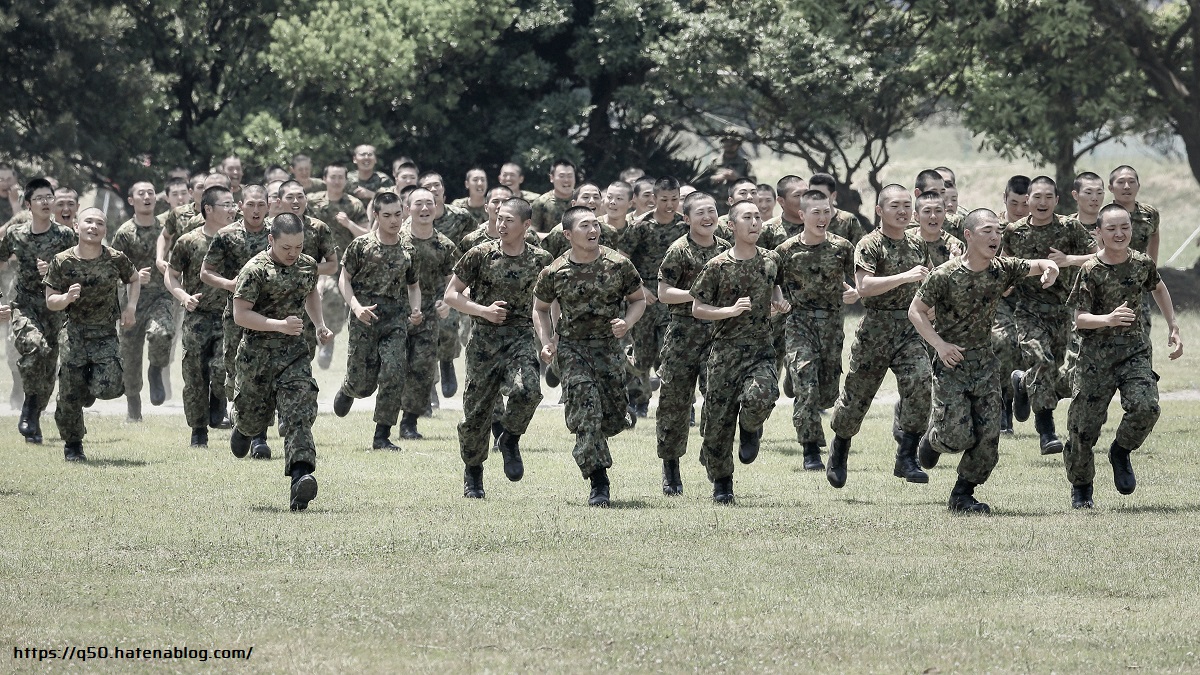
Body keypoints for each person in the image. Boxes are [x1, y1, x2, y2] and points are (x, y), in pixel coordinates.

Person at [909, 208, 1059, 513]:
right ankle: (933, 439)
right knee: (955, 437)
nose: (995, 237)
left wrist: (1051, 268)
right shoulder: (945, 275)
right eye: (987, 231)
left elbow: (1038, 263)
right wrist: (939, 345)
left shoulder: (1002, 269)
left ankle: (962, 495)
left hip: (985, 365)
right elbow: (916, 310)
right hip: (952, 364)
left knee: (988, 439)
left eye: (998, 231)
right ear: (968, 235)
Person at [1065, 204, 1183, 508]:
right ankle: (1082, 488)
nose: (1119, 234)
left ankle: (1120, 451)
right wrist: (1108, 319)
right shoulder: (1090, 270)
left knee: (1146, 407)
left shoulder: (1142, 263)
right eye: (1112, 229)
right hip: (1095, 358)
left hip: (1134, 352)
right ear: (1099, 233)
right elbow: (1079, 319)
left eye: (1125, 227)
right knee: (1082, 429)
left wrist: (1173, 325)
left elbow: (1159, 288)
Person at [533, 206, 645, 507]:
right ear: (568, 234)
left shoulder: (619, 264)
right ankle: (598, 480)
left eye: (595, 224)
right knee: (586, 414)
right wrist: (547, 341)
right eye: (585, 225)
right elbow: (540, 308)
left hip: (609, 349)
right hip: (572, 349)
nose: (593, 230)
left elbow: (638, 300)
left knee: (613, 418)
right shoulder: (554, 271)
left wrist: (627, 323)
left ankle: (610, 420)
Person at [445, 197, 551, 498]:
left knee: (528, 391)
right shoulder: (480, 254)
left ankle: (509, 438)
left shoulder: (542, 260)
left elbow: (548, 303)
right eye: (499, 218)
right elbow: (451, 295)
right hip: (484, 339)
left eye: (508, 220)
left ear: (526, 225)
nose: (501, 224)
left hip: (520, 337)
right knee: (476, 414)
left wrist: (548, 340)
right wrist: (483, 311)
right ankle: (473, 474)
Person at [827, 185, 932, 489]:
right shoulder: (869, 244)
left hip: (910, 328)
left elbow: (928, 282)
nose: (902, 212)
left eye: (907, 206)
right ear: (879, 210)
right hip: (876, 329)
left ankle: (907, 455)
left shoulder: (917, 244)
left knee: (921, 382)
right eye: (895, 206)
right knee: (856, 398)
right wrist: (905, 277)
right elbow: (864, 287)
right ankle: (840, 448)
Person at [230, 212, 333, 511]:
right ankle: (243, 428)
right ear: (271, 239)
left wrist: (320, 324)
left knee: (299, 413)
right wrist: (279, 325)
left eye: (298, 247)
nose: (293, 253)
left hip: (294, 355)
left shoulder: (307, 265)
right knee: (253, 418)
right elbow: (240, 314)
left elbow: (311, 294)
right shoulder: (255, 270)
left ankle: (301, 478)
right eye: (286, 247)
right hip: (257, 358)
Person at [691, 200, 788, 504]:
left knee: (763, 395)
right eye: (747, 217)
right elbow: (698, 308)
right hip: (725, 353)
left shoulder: (772, 259)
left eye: (758, 217)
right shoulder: (717, 266)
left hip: (761, 349)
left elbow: (775, 287)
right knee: (717, 426)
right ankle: (723, 485)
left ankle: (749, 427)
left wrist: (779, 303)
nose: (755, 222)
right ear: (732, 226)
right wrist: (729, 311)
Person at [1003, 176, 1096, 455]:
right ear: (1027, 200)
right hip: (1028, 312)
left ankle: (1022, 382)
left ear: (1057, 200)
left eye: (1048, 197)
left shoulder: (1070, 228)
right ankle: (1046, 431)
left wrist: (1069, 260)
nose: (1042, 202)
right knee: (1042, 362)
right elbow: (1005, 265)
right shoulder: (1014, 231)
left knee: (1058, 376)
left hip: (1063, 313)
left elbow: (1100, 256)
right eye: (1037, 197)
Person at [44, 207, 140, 461]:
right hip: (73, 332)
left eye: (99, 223)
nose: (93, 227)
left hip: (105, 334)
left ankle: (89, 389)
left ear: (105, 230)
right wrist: (66, 298)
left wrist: (130, 307)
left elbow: (134, 278)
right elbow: (51, 300)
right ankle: (73, 444)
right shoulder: (62, 261)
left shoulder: (115, 258)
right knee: (69, 391)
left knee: (111, 387)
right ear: (77, 226)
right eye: (88, 221)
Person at [331, 191, 423, 451]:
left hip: (395, 322)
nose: (394, 220)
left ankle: (382, 435)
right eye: (387, 215)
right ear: (376, 215)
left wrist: (415, 310)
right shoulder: (361, 245)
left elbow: (413, 286)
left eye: (398, 214)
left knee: (394, 372)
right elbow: (344, 279)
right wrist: (356, 307)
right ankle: (349, 388)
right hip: (364, 320)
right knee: (363, 385)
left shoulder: (409, 249)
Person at [774, 190, 858, 472]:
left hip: (832, 325)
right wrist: (778, 300)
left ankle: (793, 377)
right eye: (816, 212)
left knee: (827, 394)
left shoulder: (842, 247)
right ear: (802, 215)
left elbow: (858, 279)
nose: (823, 218)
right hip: (799, 323)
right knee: (806, 389)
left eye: (827, 211)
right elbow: (773, 282)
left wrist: (854, 292)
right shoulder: (786, 251)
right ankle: (810, 450)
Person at [654, 191, 730, 495]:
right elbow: (664, 293)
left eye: (712, 211)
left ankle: (717, 466)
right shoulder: (679, 250)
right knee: (674, 404)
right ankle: (671, 467)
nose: (707, 217)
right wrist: (697, 294)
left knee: (719, 401)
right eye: (700, 213)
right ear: (686, 219)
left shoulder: (727, 249)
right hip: (683, 334)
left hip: (718, 334)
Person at [0, 178, 77, 444]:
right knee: (35, 347)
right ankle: (29, 409)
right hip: (24, 305)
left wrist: (55, 270)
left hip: (55, 307)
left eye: (49, 197)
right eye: (39, 198)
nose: (45, 202)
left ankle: (34, 414)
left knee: (48, 370)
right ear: (28, 205)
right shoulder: (16, 234)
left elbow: (78, 269)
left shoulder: (66, 235)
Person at [201, 184, 274, 459]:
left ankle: (259, 437)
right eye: (250, 204)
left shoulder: (276, 233)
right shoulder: (226, 236)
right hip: (236, 316)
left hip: (270, 314)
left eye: (261, 205)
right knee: (237, 374)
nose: (255, 210)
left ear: (268, 206)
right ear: (240, 206)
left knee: (264, 373)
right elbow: (206, 272)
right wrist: (230, 284)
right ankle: (242, 423)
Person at [166, 186, 235, 447]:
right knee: (194, 376)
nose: (232, 210)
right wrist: (183, 296)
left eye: (233, 204)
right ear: (208, 209)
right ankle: (198, 431)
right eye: (226, 205)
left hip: (229, 317)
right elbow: (171, 275)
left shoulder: (238, 240)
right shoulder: (188, 241)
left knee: (221, 368)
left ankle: (218, 398)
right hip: (197, 317)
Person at [622, 176, 688, 417]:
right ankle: (637, 399)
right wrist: (638, 287)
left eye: (674, 199)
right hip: (645, 298)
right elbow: (622, 260)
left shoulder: (685, 225)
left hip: (674, 297)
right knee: (642, 355)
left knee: (672, 353)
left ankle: (681, 405)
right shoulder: (641, 226)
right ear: (654, 198)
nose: (669, 205)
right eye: (664, 199)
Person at [111, 181, 175, 420]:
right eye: (141, 193)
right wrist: (133, 277)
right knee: (129, 357)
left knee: (162, 334)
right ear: (131, 200)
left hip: (161, 298)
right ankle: (133, 407)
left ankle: (156, 369)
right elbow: (112, 270)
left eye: (150, 193)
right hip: (132, 303)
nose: (147, 197)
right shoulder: (125, 233)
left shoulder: (165, 229)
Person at [399, 187, 459, 439]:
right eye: (419, 204)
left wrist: (448, 302)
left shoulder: (444, 245)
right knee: (394, 366)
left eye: (429, 203)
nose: (424, 208)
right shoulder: (395, 240)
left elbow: (453, 281)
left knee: (423, 368)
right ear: (407, 209)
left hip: (428, 316)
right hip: (395, 313)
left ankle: (408, 423)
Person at [417, 171, 476, 396]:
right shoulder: (413, 220)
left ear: (443, 190)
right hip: (420, 284)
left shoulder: (461, 217)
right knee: (423, 335)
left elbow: (476, 241)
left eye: (436, 185)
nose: (433, 190)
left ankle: (447, 361)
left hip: (451, 279)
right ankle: (428, 388)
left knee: (449, 325)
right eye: (427, 187)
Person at [307, 164, 368, 369]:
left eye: (340, 177)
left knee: (340, 301)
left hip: (348, 264)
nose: (336, 181)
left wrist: (349, 224)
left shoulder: (353, 204)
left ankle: (332, 340)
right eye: (332, 177)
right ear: (324, 178)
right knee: (328, 296)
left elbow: (367, 234)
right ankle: (321, 340)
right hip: (318, 263)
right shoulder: (312, 202)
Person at [992, 175, 1032, 432]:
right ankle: (1003, 405)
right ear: (1004, 199)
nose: (1019, 210)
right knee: (1004, 343)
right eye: (1013, 203)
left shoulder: (1041, 227)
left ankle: (1023, 389)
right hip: (1000, 301)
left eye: (1024, 204)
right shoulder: (992, 227)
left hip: (1033, 300)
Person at [697, 132, 756, 215]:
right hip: (715, 204)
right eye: (726, 142)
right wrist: (716, 178)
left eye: (732, 143)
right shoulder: (714, 163)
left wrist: (737, 178)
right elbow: (700, 181)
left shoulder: (744, 163)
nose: (729, 145)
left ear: (738, 144)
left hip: (737, 205)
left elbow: (753, 183)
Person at [807, 173, 866, 246]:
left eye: (822, 195)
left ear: (833, 196)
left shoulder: (848, 221)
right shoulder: (801, 221)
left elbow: (862, 250)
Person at [913, 190, 963, 268]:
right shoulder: (906, 241)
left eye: (938, 211)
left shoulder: (956, 246)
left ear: (945, 213)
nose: (933, 216)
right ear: (916, 216)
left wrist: (955, 263)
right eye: (927, 211)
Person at [531, 158, 577, 233]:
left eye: (570, 176)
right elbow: (533, 233)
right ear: (552, 178)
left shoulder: (582, 199)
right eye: (561, 176)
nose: (566, 180)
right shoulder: (541, 203)